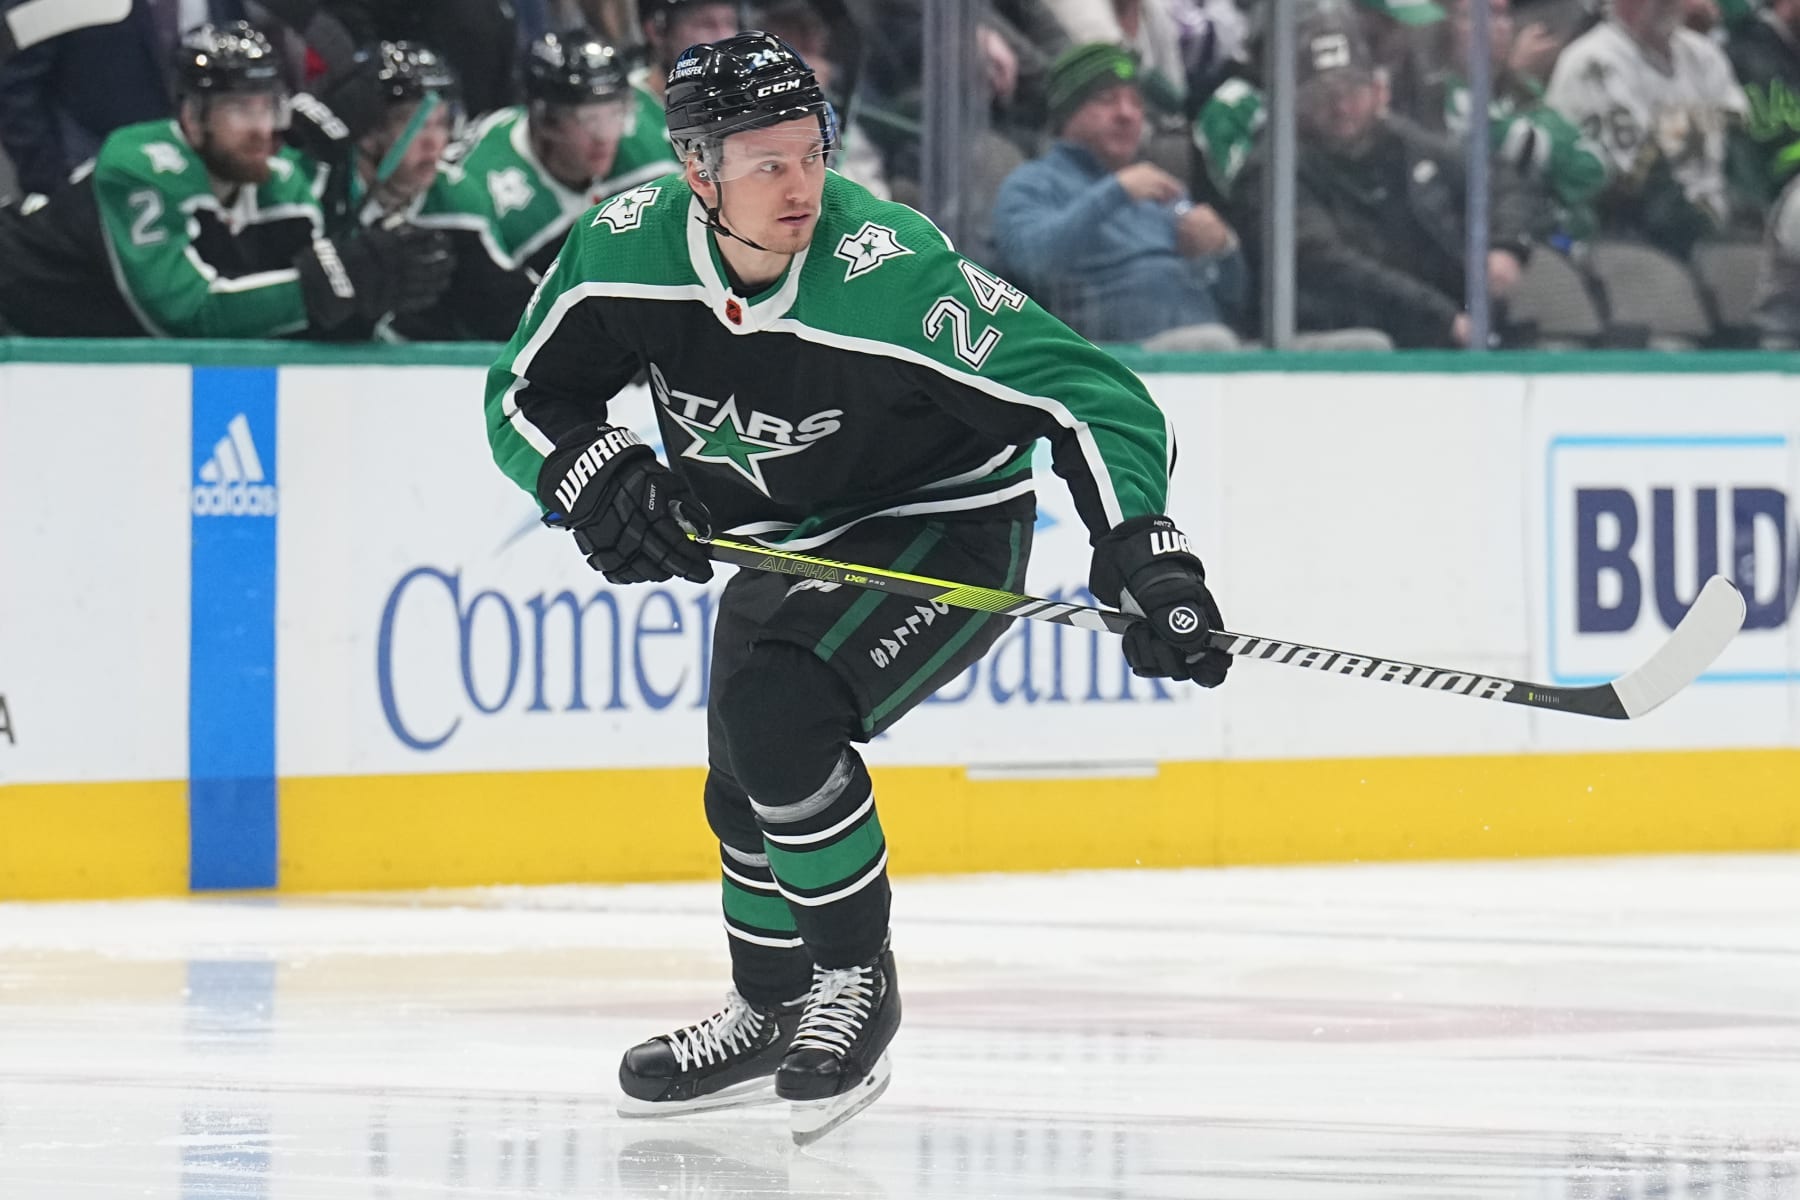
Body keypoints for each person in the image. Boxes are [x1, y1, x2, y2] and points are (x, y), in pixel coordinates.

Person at [482, 30, 1229, 1141]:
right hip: (783, 539)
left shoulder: (890, 277)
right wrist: (599, 476)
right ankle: (770, 1007)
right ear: (698, 171)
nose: (801, 186)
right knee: (741, 775)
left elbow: (1096, 399)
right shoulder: (622, 252)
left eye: (812, 153)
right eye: (767, 163)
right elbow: (522, 395)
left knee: (780, 715)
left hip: (941, 524)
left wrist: (1146, 550)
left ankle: (853, 984)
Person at [0, 21, 450, 337]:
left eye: (266, 106)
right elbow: (186, 314)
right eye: (238, 108)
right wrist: (326, 284)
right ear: (192, 117)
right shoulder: (138, 164)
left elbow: (297, 312)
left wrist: (365, 295)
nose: (261, 127)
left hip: (81, 353)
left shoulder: (280, 182)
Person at [1230, 8, 1535, 347]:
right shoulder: (1274, 167)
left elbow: (1497, 177)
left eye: (1350, 91)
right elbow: (1324, 264)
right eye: (1322, 96)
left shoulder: (1406, 144)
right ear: (1294, 102)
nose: (1341, 108)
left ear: (1378, 91)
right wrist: (1442, 317)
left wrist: (1506, 246)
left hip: (1436, 326)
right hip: (1332, 333)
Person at [402, 28, 678, 340]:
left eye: (614, 113)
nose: (604, 136)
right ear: (544, 119)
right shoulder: (483, 186)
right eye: (587, 119)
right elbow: (497, 312)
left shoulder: (640, 145)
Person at [991, 41, 1245, 347]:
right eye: (1106, 100)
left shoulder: (1161, 189)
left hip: (1205, 357)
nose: (1126, 114)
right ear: (1067, 113)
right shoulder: (1032, 184)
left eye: (1136, 103)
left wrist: (1223, 248)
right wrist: (1115, 193)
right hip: (1114, 364)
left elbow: (1236, 302)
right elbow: (1033, 262)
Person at [1546, 0, 1754, 254]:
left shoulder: (1703, 54)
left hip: (1724, 234)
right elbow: (1640, 184)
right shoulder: (1592, 62)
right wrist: (1709, 240)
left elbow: (1742, 146)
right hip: (1634, 243)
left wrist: (1749, 225)